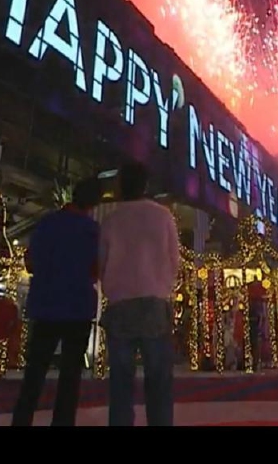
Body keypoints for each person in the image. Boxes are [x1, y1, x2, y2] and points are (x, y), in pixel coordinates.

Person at [10, 177, 101, 426]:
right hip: (78, 306)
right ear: (93, 204)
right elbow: (96, 271)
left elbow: (30, 262)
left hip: (45, 304)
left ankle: (21, 420)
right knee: (70, 377)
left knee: (34, 373)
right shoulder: (93, 231)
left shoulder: (47, 223)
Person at [99, 161, 180, 427]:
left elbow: (101, 263)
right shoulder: (163, 216)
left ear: (121, 185)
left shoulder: (111, 219)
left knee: (121, 383)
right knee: (158, 381)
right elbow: (174, 260)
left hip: (120, 305)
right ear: (146, 186)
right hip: (155, 303)